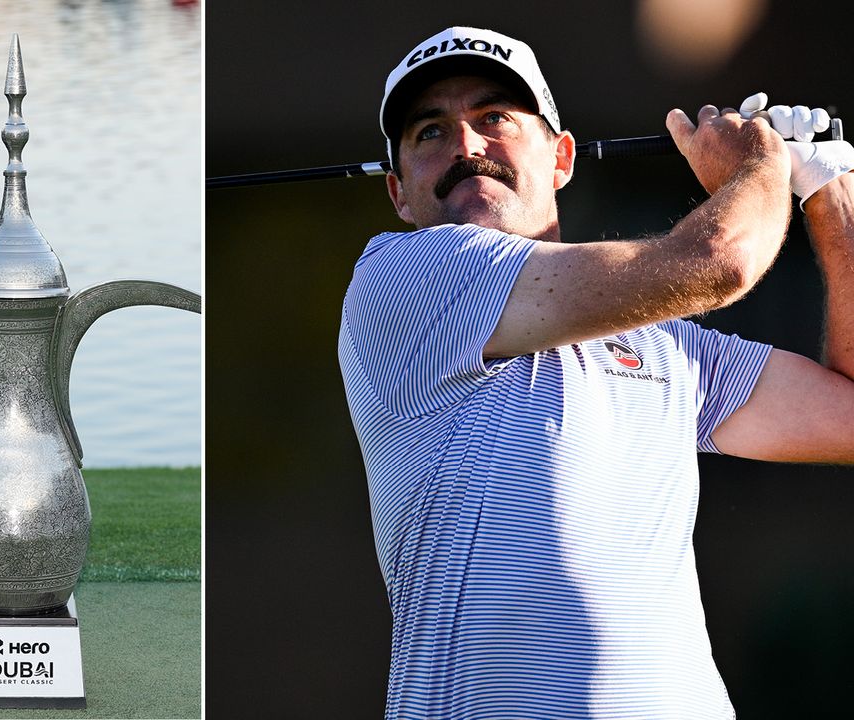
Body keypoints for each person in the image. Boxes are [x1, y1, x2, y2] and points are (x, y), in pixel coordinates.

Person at [337, 25, 854, 718]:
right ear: (400, 194)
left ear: (561, 158)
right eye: (431, 132)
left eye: (494, 118)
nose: (466, 146)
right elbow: (722, 261)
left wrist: (831, 196)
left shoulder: (668, 345)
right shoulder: (403, 278)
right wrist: (760, 168)